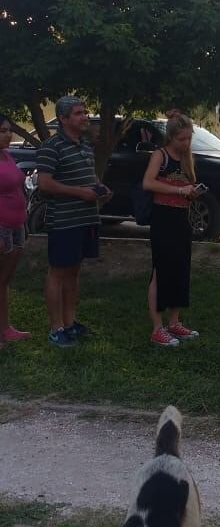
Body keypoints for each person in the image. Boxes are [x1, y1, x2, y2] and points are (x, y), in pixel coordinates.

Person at [37, 96, 109, 348]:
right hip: (64, 221)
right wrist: (80, 192)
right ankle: (56, 328)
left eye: (85, 112)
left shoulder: (85, 145)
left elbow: (87, 179)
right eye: (78, 113)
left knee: (74, 271)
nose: (84, 116)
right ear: (63, 118)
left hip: (85, 218)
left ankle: (70, 323)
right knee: (58, 272)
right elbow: (44, 183)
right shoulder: (52, 146)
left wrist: (99, 189)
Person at [142, 112, 201, 347]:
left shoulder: (188, 159)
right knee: (161, 270)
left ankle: (174, 321)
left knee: (180, 269)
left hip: (181, 218)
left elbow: (188, 184)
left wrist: (193, 191)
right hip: (163, 218)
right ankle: (157, 327)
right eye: (181, 139)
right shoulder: (160, 155)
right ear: (171, 137)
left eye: (189, 139)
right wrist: (177, 190)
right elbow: (148, 182)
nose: (186, 144)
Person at [0, 114, 32, 347]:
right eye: (2, 131)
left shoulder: (7, 156)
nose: (8, 134)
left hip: (17, 225)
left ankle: (5, 328)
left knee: (4, 281)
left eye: (8, 130)